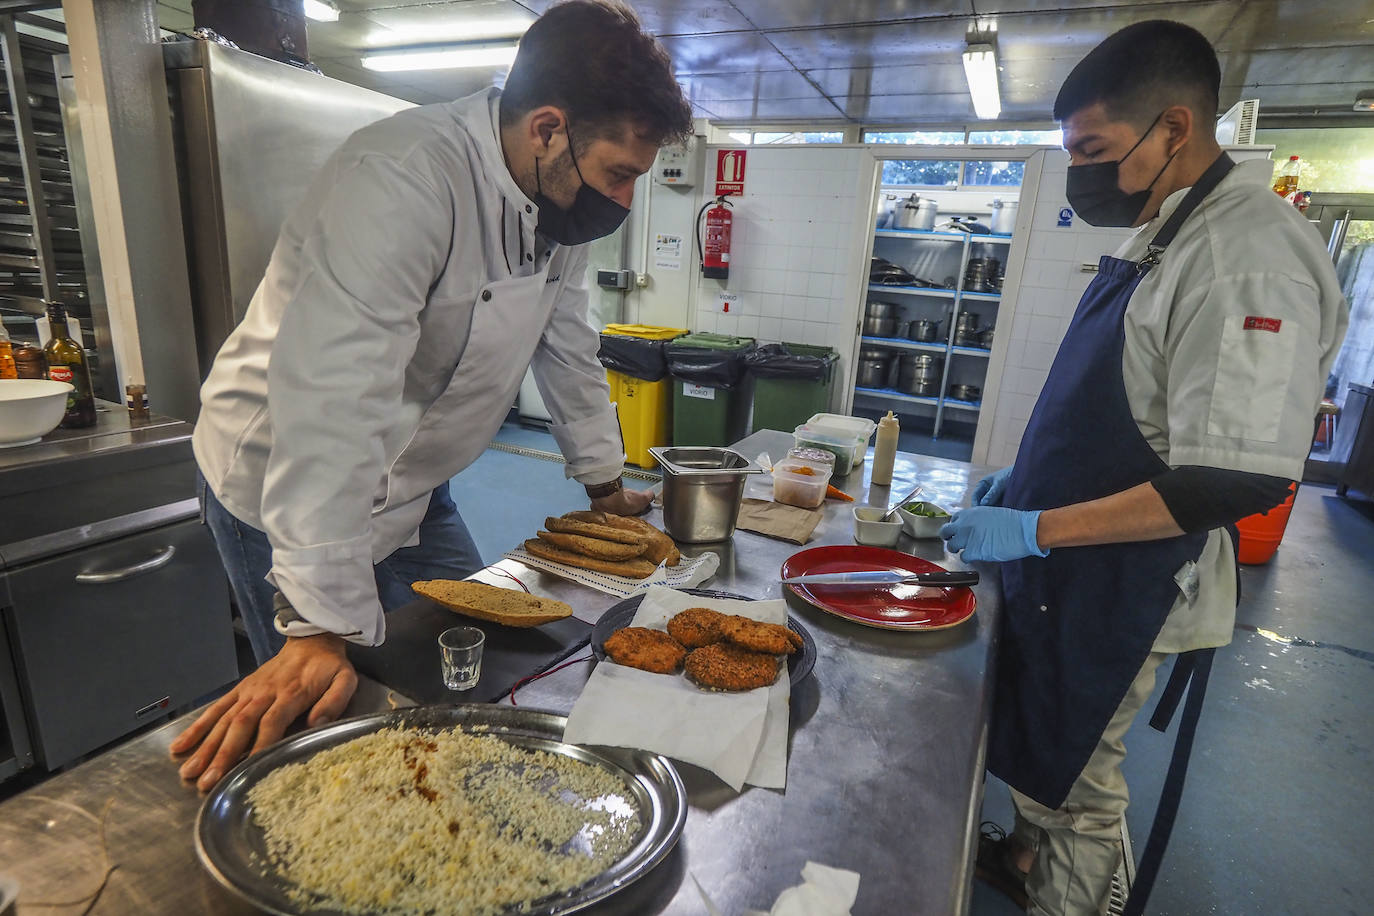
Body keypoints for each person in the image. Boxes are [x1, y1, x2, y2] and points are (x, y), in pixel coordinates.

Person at [171, 0, 693, 792]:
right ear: (548, 128)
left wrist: (603, 482)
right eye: (618, 173)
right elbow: (334, 399)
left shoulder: (556, 207)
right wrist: (317, 624)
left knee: (475, 663)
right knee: (339, 714)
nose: (620, 202)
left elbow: (567, 344)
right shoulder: (403, 177)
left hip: (419, 480)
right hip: (280, 479)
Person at [940, 20, 1348, 916]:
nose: (1082, 173)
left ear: (1173, 129)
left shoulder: (1249, 252)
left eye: (1094, 150)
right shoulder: (1165, 228)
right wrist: (1024, 483)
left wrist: (1034, 526)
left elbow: (1234, 478)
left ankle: (1069, 895)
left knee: (1082, 770)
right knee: (1045, 731)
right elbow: (1129, 400)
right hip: (1070, 562)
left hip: (1133, 575)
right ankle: (1024, 857)